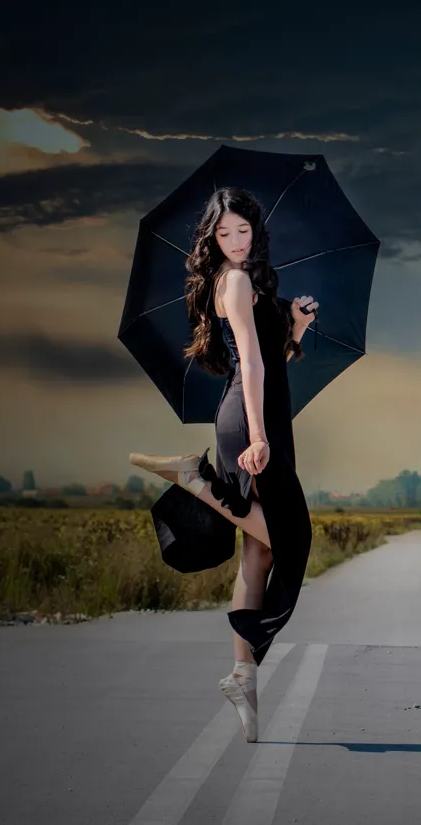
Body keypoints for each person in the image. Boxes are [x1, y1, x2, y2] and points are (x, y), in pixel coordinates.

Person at [128, 186, 316, 743]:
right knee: (292, 538)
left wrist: (296, 331)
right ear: (211, 238)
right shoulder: (233, 282)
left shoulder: (249, 283)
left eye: (243, 231)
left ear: (256, 232)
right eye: (224, 233)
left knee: (258, 554)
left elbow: (267, 360)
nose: (235, 241)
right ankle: (198, 484)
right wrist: (257, 437)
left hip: (267, 416)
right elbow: (250, 364)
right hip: (250, 420)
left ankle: (242, 675)